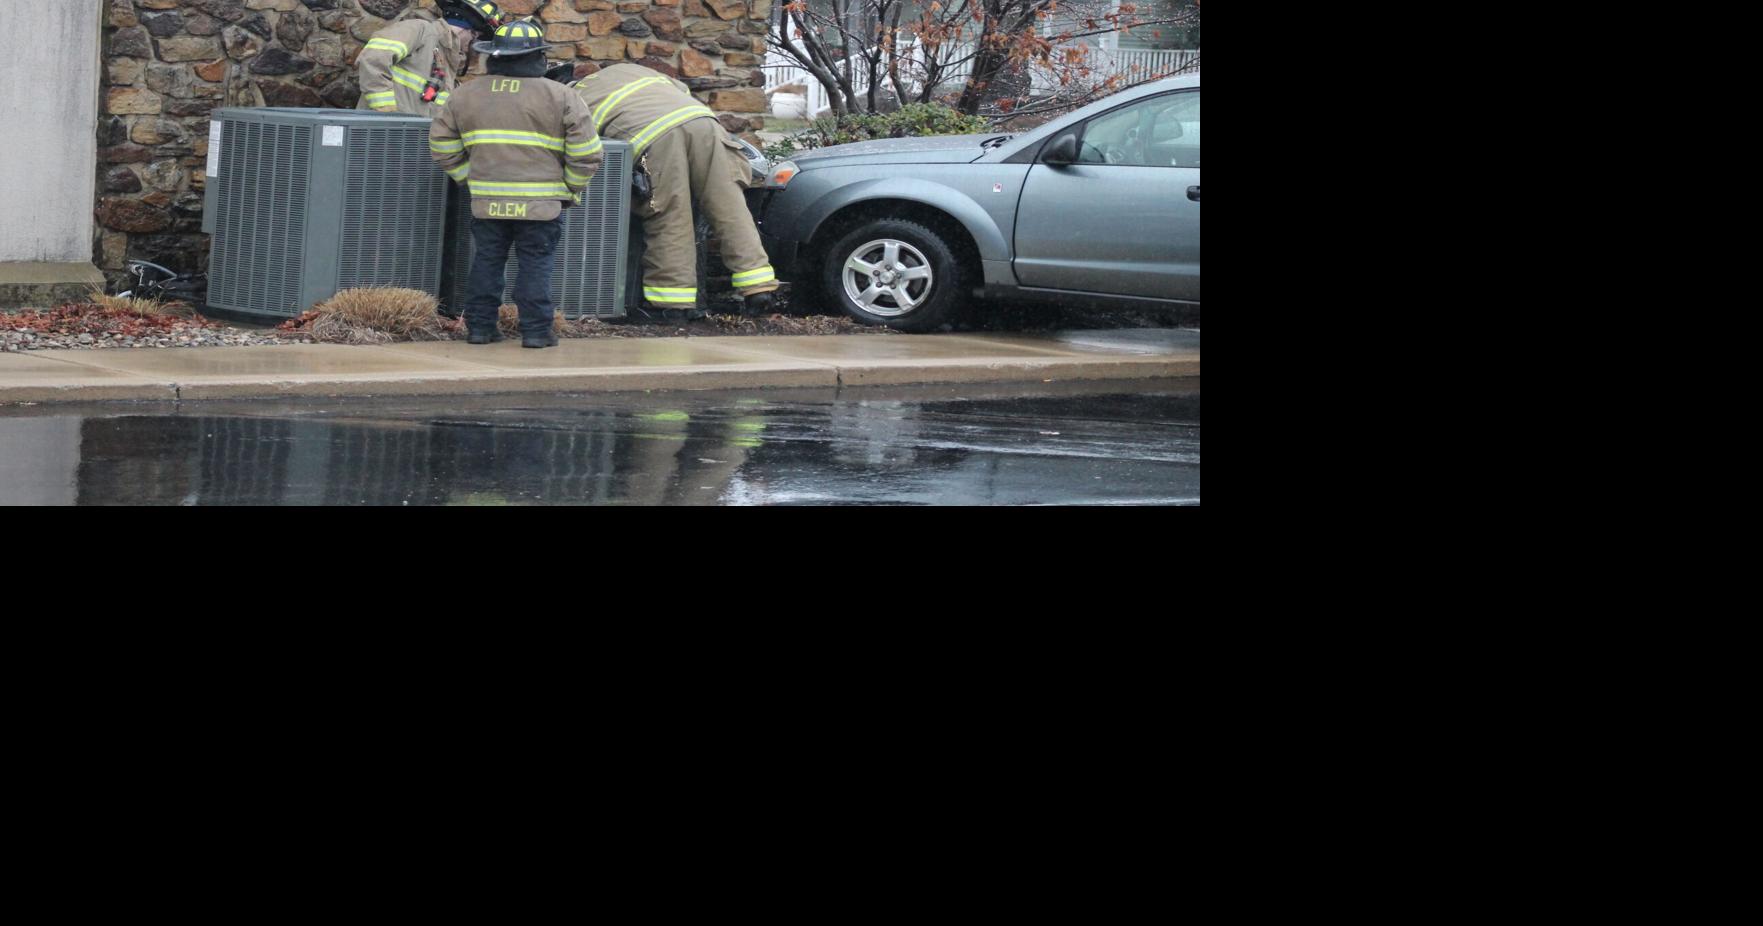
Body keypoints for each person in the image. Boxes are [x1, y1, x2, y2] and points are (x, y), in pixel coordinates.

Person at [429, 19, 601, 348]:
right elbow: (587, 153)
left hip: (487, 201)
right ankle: (536, 333)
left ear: (493, 56)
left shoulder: (464, 95)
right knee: (535, 266)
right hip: (543, 206)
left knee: (487, 262)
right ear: (537, 57)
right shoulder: (561, 95)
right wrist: (570, 188)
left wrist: (469, 179)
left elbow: (442, 146)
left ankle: (480, 329)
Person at [573, 63, 777, 324]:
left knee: (668, 214)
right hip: (704, 124)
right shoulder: (635, 70)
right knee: (729, 206)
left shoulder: (573, 95)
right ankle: (759, 288)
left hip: (653, 137)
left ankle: (672, 305)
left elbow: (583, 145)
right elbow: (682, 91)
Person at [356, 0, 506, 117]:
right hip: (378, 133)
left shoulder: (448, 61)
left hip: (408, 142)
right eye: (476, 36)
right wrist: (386, 112)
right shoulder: (419, 30)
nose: (472, 45)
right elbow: (373, 58)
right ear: (469, 31)